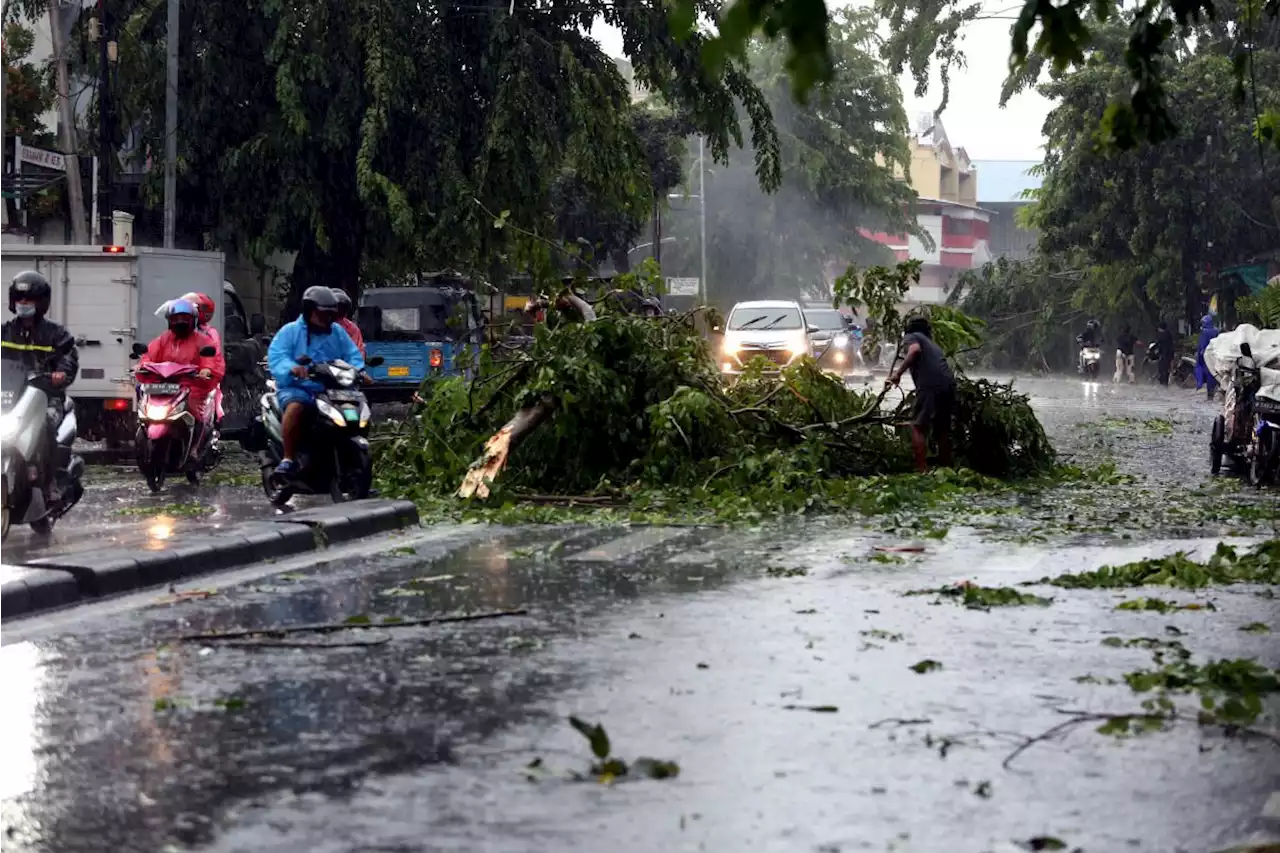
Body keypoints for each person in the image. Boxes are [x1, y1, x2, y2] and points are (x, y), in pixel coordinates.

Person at [268, 286, 364, 478]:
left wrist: (359, 370)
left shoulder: (337, 332)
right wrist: (292, 368)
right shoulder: (290, 331)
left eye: (330, 315)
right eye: (322, 314)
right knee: (295, 407)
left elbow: (352, 354)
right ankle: (288, 458)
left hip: (330, 388)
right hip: (298, 387)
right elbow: (278, 356)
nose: (327, 319)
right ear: (309, 311)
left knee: (356, 407)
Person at [0, 271, 79, 500]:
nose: (23, 304)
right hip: (9, 396)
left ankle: (50, 480)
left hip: (45, 397)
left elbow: (68, 359)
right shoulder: (4, 332)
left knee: (44, 425)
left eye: (29, 300)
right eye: (20, 299)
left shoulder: (56, 334)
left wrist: (61, 374)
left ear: (41, 302)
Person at [141, 300, 220, 461]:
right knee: (143, 394)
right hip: (165, 385)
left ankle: (194, 449)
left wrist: (206, 369)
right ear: (169, 321)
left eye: (184, 318)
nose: (180, 322)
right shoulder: (163, 339)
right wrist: (142, 365)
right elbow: (149, 356)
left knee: (197, 409)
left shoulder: (203, 340)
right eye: (175, 319)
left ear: (193, 320)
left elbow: (210, 359)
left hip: (193, 385)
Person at [885, 316, 956, 473]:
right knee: (942, 428)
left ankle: (922, 470)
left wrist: (897, 374)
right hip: (948, 383)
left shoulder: (912, 337)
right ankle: (948, 469)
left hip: (929, 383)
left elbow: (914, 350)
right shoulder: (933, 345)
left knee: (918, 426)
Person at [180, 291, 227, 420]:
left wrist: (206, 369)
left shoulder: (209, 334)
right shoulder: (174, 333)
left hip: (198, 380)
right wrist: (146, 363)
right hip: (177, 378)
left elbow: (211, 356)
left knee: (194, 405)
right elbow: (156, 351)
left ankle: (198, 430)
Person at [330, 287, 366, 357]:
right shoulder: (316, 325)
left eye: (341, 308)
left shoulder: (352, 328)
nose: (338, 310)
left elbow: (358, 351)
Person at [1194, 313, 1220, 401]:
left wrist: (1200, 353)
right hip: (1216, 356)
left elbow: (1202, 345)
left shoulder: (1204, 332)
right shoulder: (1216, 331)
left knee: (1203, 372)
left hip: (1206, 356)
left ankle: (1208, 393)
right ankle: (1213, 393)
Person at [1155, 321, 1175, 386]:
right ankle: (1165, 383)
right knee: (1166, 369)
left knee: (1162, 369)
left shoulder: (1163, 335)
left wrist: (1157, 350)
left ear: (1160, 328)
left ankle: (1163, 383)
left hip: (1165, 354)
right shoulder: (1168, 333)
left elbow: (1159, 344)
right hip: (1170, 354)